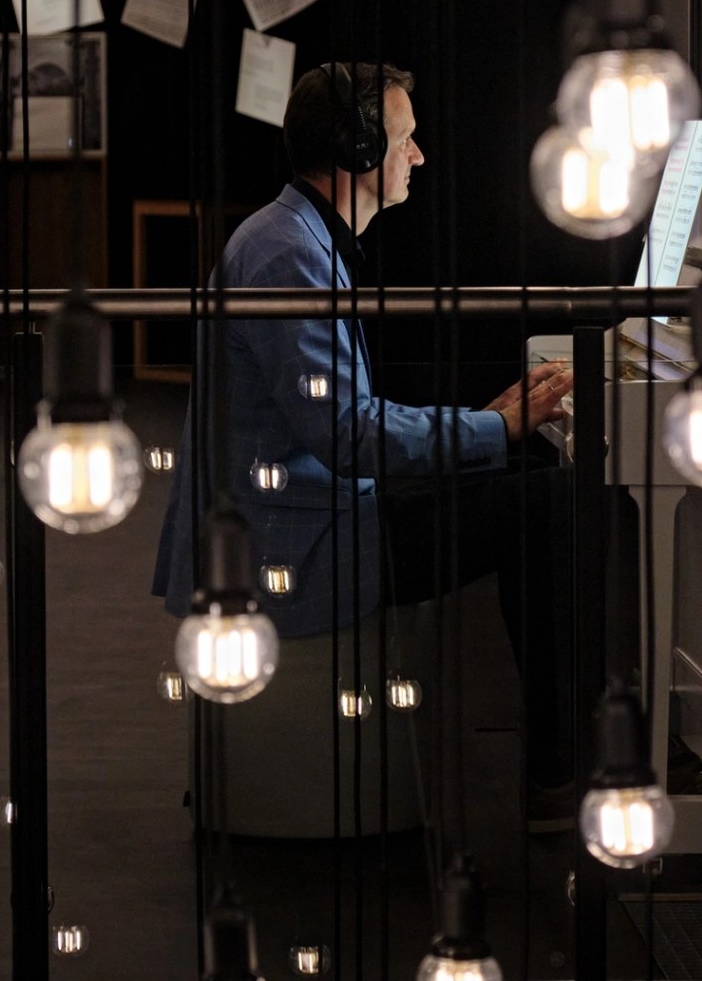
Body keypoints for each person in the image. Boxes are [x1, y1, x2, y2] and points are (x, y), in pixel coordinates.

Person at [150, 61, 583, 815]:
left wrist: (489, 426)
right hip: (295, 547)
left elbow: (344, 423)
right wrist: (493, 426)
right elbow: (350, 435)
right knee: (542, 508)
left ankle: (572, 754)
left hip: (301, 512)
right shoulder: (290, 257)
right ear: (355, 153)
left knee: (517, 481)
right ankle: (565, 768)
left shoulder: (289, 235)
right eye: (405, 139)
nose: (417, 157)